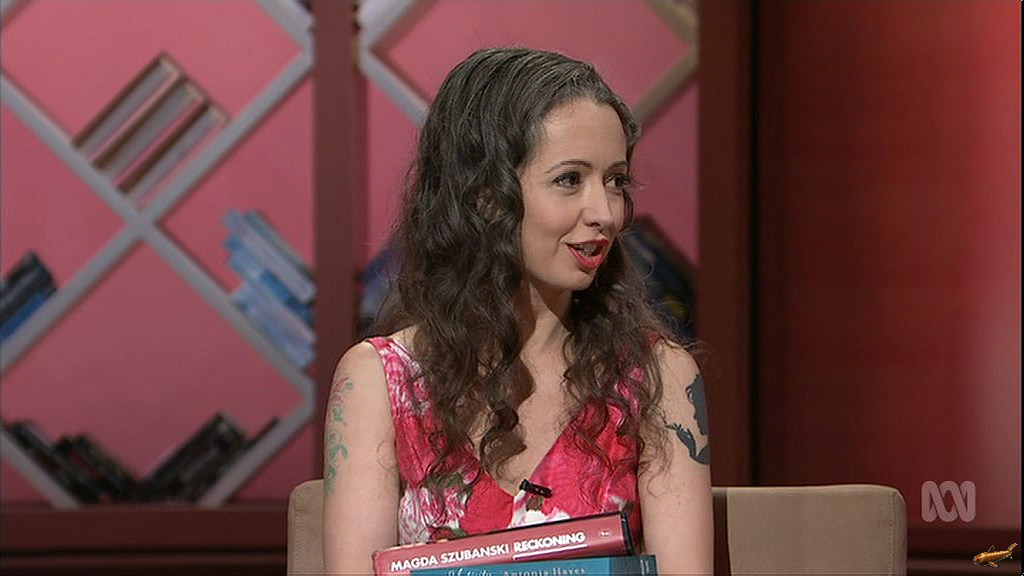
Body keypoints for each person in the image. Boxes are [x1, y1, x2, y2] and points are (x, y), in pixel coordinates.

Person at [322, 47, 712, 575]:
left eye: (616, 181)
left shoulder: (657, 378)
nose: (605, 213)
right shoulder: (379, 381)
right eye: (569, 179)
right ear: (485, 197)